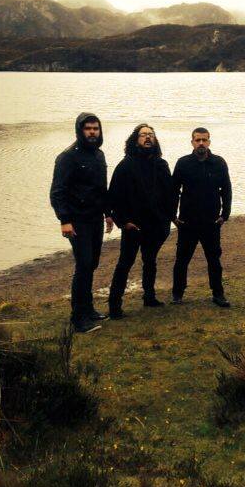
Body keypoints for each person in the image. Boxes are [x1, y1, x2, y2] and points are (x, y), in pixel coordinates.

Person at [50, 112, 114, 333]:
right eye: (88, 129)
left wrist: (108, 213)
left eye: (95, 128)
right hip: (77, 221)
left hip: (95, 218)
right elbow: (57, 192)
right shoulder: (67, 157)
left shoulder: (99, 155)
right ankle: (78, 318)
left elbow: (101, 189)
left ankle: (88, 309)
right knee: (84, 265)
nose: (92, 132)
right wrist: (64, 220)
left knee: (92, 264)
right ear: (80, 131)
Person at [106, 124, 175, 319]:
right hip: (133, 226)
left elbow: (170, 195)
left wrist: (167, 219)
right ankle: (114, 306)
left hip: (156, 225)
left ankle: (149, 297)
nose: (147, 137)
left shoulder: (161, 165)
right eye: (143, 135)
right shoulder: (126, 165)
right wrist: (123, 222)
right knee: (125, 263)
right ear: (135, 140)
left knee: (150, 261)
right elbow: (113, 197)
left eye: (150, 135)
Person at [171, 127, 232, 307]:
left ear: (209, 142)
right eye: (197, 140)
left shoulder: (219, 163)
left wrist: (225, 214)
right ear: (192, 142)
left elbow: (226, 190)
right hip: (187, 221)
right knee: (182, 260)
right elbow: (173, 190)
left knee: (214, 260)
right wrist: (172, 215)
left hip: (211, 221)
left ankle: (218, 294)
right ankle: (177, 294)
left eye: (204, 140)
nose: (201, 143)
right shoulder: (183, 163)